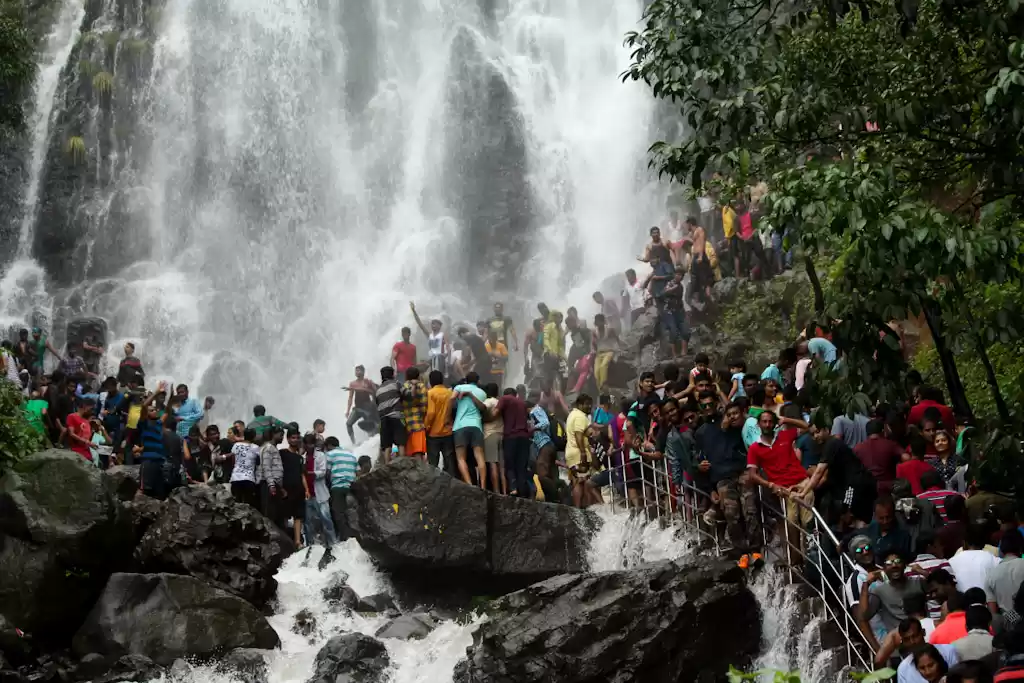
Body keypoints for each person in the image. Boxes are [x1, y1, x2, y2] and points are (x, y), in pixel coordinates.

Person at [806, 422, 878, 524]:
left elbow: (819, 472)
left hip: (855, 485)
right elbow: (824, 478)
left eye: (818, 432)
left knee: (850, 516)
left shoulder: (832, 444)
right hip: (850, 487)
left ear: (826, 430)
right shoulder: (827, 447)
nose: (815, 436)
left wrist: (803, 492)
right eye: (812, 435)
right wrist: (804, 489)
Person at [860, 550, 926, 648]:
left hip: (923, 641)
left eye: (898, 561)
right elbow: (864, 617)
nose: (894, 565)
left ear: (905, 565)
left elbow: (941, 590)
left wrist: (924, 572)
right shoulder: (879, 591)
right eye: (889, 563)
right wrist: (865, 585)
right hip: (899, 647)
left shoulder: (919, 582)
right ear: (884, 569)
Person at [452, 372, 488, 489]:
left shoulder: (459, 387)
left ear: (466, 380)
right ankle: (482, 486)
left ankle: (469, 485)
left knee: (461, 458)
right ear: (478, 381)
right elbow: (483, 408)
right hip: (476, 426)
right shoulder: (482, 393)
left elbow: (451, 399)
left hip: (460, 425)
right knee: (480, 457)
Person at [493, 387, 531, 497]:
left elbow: (495, 413)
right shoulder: (523, 403)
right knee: (521, 466)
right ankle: (523, 492)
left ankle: (513, 489)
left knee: (510, 465)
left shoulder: (505, 399)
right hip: (524, 437)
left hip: (511, 437)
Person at [302, 433, 336, 546]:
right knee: (308, 522)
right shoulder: (302, 458)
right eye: (308, 444)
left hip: (320, 493)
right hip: (308, 493)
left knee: (326, 518)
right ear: (305, 445)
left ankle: (332, 543)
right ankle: (310, 545)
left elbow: (323, 472)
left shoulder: (321, 455)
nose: (310, 446)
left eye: (312, 443)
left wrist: (310, 473)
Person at [856, 419, 905, 496]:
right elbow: (906, 457)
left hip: (866, 488)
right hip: (889, 487)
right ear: (882, 431)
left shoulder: (857, 448)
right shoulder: (890, 445)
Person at [986, 528, 1024, 627]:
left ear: (1001, 550)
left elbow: (993, 614)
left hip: (1008, 628)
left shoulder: (991, 575)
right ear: (1021, 548)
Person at [279, 429, 310, 548]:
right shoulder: (282, 453)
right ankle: (284, 540)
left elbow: (302, 475)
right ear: (287, 439)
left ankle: (297, 541)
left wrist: (306, 490)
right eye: (293, 438)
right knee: (285, 515)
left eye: (297, 438)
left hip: (299, 489)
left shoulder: (299, 458)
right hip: (286, 489)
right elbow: (278, 470)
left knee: (299, 516)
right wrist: (280, 487)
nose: (295, 440)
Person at [324, 436, 358, 541]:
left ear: (329, 446)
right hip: (351, 487)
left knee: (338, 513)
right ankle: (355, 536)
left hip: (338, 487)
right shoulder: (351, 455)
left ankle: (345, 539)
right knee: (351, 513)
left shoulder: (330, 454)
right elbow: (358, 471)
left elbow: (327, 472)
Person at [949, 525, 1002, 592]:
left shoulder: (951, 562)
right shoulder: (994, 560)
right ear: (984, 544)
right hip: (987, 600)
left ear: (964, 543)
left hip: (960, 601)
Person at [566, 394, 594, 507]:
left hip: (572, 453)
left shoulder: (572, 414)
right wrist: (583, 452)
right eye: (587, 404)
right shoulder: (580, 416)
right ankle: (584, 508)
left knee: (578, 480)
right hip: (578, 453)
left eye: (590, 404)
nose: (589, 406)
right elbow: (578, 435)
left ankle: (578, 508)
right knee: (583, 480)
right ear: (580, 404)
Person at [376, 366, 405, 463]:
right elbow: (407, 394)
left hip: (384, 419)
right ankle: (402, 463)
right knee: (400, 442)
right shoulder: (396, 384)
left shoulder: (378, 390)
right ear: (392, 374)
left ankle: (387, 467)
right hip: (396, 416)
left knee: (387, 445)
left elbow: (377, 404)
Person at [410, 302, 448, 377]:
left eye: (435, 324)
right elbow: (420, 325)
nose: (433, 325)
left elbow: (447, 348)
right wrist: (414, 311)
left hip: (441, 359)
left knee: (439, 376)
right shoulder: (430, 335)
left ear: (439, 326)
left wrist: (445, 356)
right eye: (432, 324)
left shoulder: (443, 335)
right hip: (433, 359)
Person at [482, 382, 506, 494]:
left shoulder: (488, 402)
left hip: (490, 435)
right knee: (501, 466)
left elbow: (483, 409)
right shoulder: (499, 402)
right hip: (501, 434)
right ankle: (504, 492)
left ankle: (496, 492)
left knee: (492, 464)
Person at [400, 367, 428, 461]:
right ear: (418, 375)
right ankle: (420, 475)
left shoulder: (403, 386)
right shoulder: (422, 386)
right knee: (418, 454)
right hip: (418, 424)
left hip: (406, 425)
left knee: (409, 455)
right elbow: (424, 406)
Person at [345, 365, 378, 444]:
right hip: (357, 408)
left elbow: (375, 392)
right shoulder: (352, 383)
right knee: (348, 424)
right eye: (356, 371)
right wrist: (347, 411)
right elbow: (350, 398)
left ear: (363, 372)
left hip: (367, 408)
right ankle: (353, 443)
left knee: (370, 425)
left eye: (359, 370)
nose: (357, 372)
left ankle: (372, 441)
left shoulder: (368, 382)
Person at [229, 428, 261, 508]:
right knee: (248, 505)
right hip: (249, 478)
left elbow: (233, 460)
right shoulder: (256, 447)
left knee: (236, 504)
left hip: (235, 477)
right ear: (254, 437)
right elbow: (259, 462)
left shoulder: (236, 445)